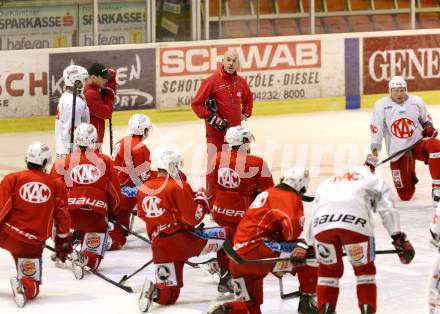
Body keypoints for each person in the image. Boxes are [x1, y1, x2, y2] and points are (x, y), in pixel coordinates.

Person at [208, 166, 318, 314]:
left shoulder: (268, 192)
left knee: (250, 309)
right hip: (258, 251)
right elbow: (291, 233)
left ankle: (227, 310)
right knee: (309, 251)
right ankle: (307, 301)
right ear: (302, 187)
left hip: (237, 258)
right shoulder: (290, 197)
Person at [306, 165, 415, 314]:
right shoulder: (372, 179)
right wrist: (398, 237)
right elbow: (387, 209)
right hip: (356, 225)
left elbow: (314, 214)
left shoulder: (326, 183)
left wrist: (309, 244)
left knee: (327, 273)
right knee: (364, 272)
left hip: (322, 226)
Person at [137, 146, 226, 313]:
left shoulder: (144, 188)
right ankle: (227, 281)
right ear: (170, 165)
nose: (178, 168)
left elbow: (143, 215)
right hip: (182, 241)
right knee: (226, 236)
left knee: (169, 295)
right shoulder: (178, 185)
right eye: (176, 165)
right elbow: (193, 219)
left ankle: (153, 291)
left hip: (159, 246)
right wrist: (201, 202)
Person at [0, 142, 71, 307]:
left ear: (26, 159)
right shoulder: (56, 184)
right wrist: (63, 241)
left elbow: (2, 209)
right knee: (32, 290)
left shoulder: (12, 178)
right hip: (30, 245)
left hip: (7, 235)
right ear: (46, 162)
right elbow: (62, 217)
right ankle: (23, 285)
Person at [208, 125, 274, 293]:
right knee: (244, 244)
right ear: (244, 142)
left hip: (219, 211)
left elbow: (212, 185)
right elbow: (269, 193)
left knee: (225, 241)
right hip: (242, 215)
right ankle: (242, 273)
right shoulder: (257, 163)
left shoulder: (217, 158)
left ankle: (225, 274)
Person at [51, 123, 121, 279]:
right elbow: (115, 195)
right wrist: (113, 214)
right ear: (95, 139)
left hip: (70, 217)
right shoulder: (105, 161)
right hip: (95, 217)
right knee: (93, 260)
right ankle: (83, 257)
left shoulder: (63, 162)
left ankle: (62, 249)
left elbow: (52, 193)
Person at [367, 75, 440, 203]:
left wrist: (429, 128)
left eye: (402, 90)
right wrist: (372, 160)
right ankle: (409, 172)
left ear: (406, 89)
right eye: (396, 90)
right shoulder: (381, 106)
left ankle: (437, 187)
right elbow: (376, 136)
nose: (399, 93)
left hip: (418, 143)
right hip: (398, 152)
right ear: (389, 91)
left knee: (436, 146)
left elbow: (426, 120)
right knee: (405, 195)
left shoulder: (416, 101)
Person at [191, 50, 253, 198]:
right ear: (223, 61)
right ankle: (212, 203)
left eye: (234, 61)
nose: (231, 63)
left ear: (237, 63)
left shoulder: (241, 82)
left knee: (238, 167)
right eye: (228, 60)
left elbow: (249, 98)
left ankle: (236, 199)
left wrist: (246, 112)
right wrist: (211, 117)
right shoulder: (212, 81)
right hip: (216, 135)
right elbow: (196, 104)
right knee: (214, 168)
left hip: (237, 137)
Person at [109, 113, 153, 250]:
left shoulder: (120, 141)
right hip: (124, 194)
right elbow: (144, 179)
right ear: (143, 130)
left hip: (112, 189)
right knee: (118, 239)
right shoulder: (140, 148)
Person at [55, 65, 90, 159]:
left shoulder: (70, 96)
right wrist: (74, 154)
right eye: (85, 80)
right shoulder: (73, 102)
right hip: (69, 152)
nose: (87, 82)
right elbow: (70, 131)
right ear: (77, 82)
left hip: (64, 149)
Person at [84, 63, 117, 149]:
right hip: (90, 143)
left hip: (93, 139)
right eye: (103, 78)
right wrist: (109, 96)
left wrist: (110, 87)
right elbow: (106, 113)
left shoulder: (95, 90)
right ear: (93, 77)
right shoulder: (90, 94)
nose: (106, 81)